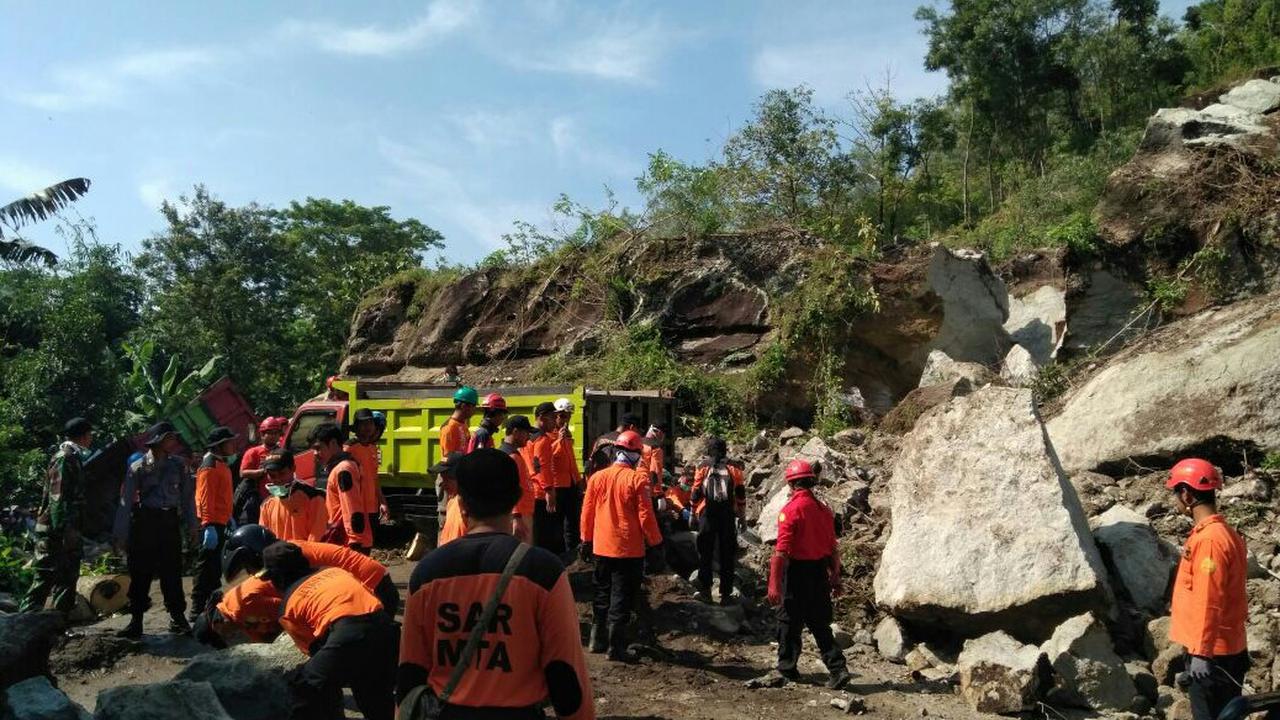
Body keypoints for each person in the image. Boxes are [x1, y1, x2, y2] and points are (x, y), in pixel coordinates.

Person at [397, 449, 595, 720]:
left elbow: (410, 671)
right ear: (516, 498)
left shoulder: (426, 574)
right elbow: (565, 673)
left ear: (462, 502)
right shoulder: (543, 572)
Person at [264, 542, 398, 720]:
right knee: (374, 695)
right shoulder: (336, 571)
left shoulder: (288, 607)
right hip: (387, 628)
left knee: (304, 687)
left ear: (277, 578)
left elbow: (313, 649)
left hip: (347, 633)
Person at [1166, 458, 1248, 720]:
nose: (1175, 501)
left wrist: (1201, 652)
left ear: (1186, 494)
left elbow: (1208, 599)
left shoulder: (1209, 540)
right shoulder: (1225, 533)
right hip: (1227, 649)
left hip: (1213, 656)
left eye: (1175, 493)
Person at [763, 459, 850, 689]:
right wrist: (835, 577)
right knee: (820, 624)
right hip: (819, 572)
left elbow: (781, 552)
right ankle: (838, 669)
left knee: (787, 621)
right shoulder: (824, 511)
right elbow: (833, 548)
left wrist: (773, 585)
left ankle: (787, 668)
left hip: (796, 574)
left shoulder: (790, 511)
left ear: (791, 485)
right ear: (811, 482)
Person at [580, 430, 662, 662]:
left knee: (602, 591)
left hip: (601, 546)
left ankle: (596, 640)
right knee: (622, 596)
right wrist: (656, 543)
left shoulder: (597, 478)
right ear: (636, 454)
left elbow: (586, 512)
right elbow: (646, 516)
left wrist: (586, 540)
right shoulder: (638, 479)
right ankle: (616, 647)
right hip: (628, 548)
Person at [114, 422, 197, 637]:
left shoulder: (179, 465)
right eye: (170, 438)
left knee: (172, 570)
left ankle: (177, 617)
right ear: (160, 440)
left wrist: (193, 527)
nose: (174, 442)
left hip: (169, 521)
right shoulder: (138, 467)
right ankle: (136, 620)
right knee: (140, 571)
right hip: (145, 522)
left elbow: (188, 499)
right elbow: (125, 502)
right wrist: (121, 535)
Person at [222, 524, 400, 618]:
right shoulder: (289, 550)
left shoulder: (292, 557)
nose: (253, 575)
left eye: (249, 568)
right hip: (374, 580)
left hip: (375, 586)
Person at [20, 417, 92, 615]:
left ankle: (59, 624)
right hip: (56, 531)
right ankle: (22, 623)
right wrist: (64, 532)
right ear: (84, 436)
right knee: (45, 576)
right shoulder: (65, 458)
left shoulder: (72, 457)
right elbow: (58, 498)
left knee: (67, 577)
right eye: (90, 435)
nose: (91, 439)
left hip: (66, 529)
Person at [690, 437, 746, 605]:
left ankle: (705, 590)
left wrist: (693, 513)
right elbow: (741, 494)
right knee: (727, 554)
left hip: (707, 514)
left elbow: (696, 492)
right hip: (727, 515)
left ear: (709, 450)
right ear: (725, 449)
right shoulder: (734, 467)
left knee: (705, 552)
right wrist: (742, 517)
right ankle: (726, 594)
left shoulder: (703, 466)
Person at [191, 426, 238, 622]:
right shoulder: (209, 466)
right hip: (212, 524)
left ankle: (209, 608)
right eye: (229, 442)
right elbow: (204, 498)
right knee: (206, 568)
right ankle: (197, 609)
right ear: (220, 445)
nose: (232, 445)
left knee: (214, 568)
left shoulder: (220, 464)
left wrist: (228, 517)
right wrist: (208, 524)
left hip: (220, 522)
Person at [309, 422, 373, 553]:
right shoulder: (346, 465)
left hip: (349, 544)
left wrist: (354, 542)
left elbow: (352, 507)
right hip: (349, 541)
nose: (315, 453)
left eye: (318, 448)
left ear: (332, 443)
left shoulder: (343, 469)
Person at [259, 451, 327, 542]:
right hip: (277, 555)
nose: (278, 479)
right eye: (272, 476)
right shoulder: (266, 504)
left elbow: (317, 537)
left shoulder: (314, 497)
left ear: (293, 469)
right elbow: (264, 538)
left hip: (306, 554)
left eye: (282, 473)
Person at [346, 408, 389, 536]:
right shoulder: (349, 448)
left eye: (370, 423)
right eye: (363, 424)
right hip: (356, 507)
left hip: (371, 507)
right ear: (357, 427)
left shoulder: (372, 448)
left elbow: (374, 478)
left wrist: (382, 501)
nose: (367, 427)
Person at [528, 402, 564, 553]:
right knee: (544, 536)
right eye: (552, 417)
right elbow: (541, 467)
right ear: (541, 417)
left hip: (532, 492)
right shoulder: (542, 440)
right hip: (541, 494)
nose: (556, 421)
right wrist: (549, 490)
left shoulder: (529, 437)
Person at [552, 398, 584, 553]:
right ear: (555, 415)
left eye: (568, 416)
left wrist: (578, 480)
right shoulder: (548, 435)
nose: (566, 419)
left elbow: (571, 460)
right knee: (558, 523)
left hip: (570, 484)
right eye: (563, 416)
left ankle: (573, 550)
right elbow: (549, 457)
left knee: (573, 521)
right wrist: (559, 440)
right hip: (557, 486)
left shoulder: (567, 435)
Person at [502, 415, 538, 543]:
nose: (528, 437)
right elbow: (510, 488)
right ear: (516, 432)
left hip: (522, 513)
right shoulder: (512, 456)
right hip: (520, 515)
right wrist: (516, 517)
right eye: (526, 433)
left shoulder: (512, 453)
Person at [241, 417, 285, 500]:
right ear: (262, 435)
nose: (274, 436)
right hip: (259, 498)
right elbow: (243, 473)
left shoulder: (283, 452)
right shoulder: (253, 452)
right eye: (270, 433)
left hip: (279, 495)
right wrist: (261, 472)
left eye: (276, 433)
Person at [586, 413, 641, 477]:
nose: (637, 434)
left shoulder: (600, 439)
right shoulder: (627, 443)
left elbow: (590, 463)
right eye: (637, 430)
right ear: (631, 427)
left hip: (598, 480)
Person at [432, 452, 466, 547]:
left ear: (462, 477)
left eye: (448, 479)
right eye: (442, 479)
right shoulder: (451, 502)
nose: (443, 484)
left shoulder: (472, 509)